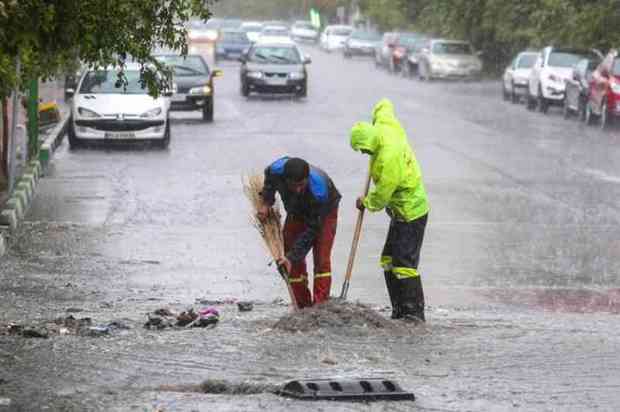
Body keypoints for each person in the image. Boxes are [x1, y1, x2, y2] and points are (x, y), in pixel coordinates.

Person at [350, 99, 429, 322]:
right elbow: (384, 106)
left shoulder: (388, 157)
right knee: (388, 260)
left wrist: (366, 202)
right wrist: (377, 114)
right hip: (399, 212)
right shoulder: (385, 127)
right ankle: (398, 309)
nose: (365, 154)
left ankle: (413, 314)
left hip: (410, 211)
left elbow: (383, 193)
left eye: (365, 150)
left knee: (404, 263)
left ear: (371, 142)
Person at [258, 157, 341, 308]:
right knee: (289, 255)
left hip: (324, 212)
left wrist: (292, 257)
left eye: (301, 185)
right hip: (296, 209)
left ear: (307, 179)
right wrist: (266, 203)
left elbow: (312, 231)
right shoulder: (275, 171)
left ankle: (319, 308)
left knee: (321, 259)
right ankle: (302, 306)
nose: (297, 189)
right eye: (293, 185)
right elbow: (269, 183)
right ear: (285, 179)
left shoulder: (319, 192)